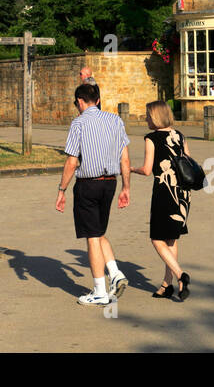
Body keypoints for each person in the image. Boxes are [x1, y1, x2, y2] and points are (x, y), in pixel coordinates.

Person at [56, 82, 131, 305]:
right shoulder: (116, 120)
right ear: (97, 100)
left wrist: (62, 190)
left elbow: (71, 161)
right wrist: (126, 187)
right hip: (110, 183)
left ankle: (99, 290)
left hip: (88, 184)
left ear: (80, 102)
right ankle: (115, 273)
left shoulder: (78, 124)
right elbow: (124, 158)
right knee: (97, 232)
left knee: (91, 236)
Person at [130, 100, 192, 300]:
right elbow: (188, 163)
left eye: (147, 115)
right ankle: (167, 285)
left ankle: (181, 275)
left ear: (155, 116)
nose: (145, 118)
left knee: (157, 239)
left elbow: (147, 170)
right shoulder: (179, 135)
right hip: (182, 193)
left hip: (164, 191)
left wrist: (131, 169)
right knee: (171, 238)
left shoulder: (151, 138)